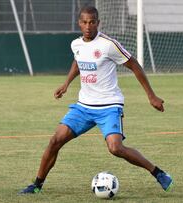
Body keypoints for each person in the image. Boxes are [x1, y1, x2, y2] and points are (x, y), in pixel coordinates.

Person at [19, 6, 173, 194]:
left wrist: (151, 95)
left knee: (115, 148)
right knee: (55, 141)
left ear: (98, 23)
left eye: (92, 22)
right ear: (79, 23)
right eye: (84, 22)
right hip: (83, 107)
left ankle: (158, 173)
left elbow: (134, 65)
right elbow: (78, 61)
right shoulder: (76, 44)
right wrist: (66, 83)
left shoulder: (109, 44)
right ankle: (36, 185)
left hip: (109, 105)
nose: (88, 26)